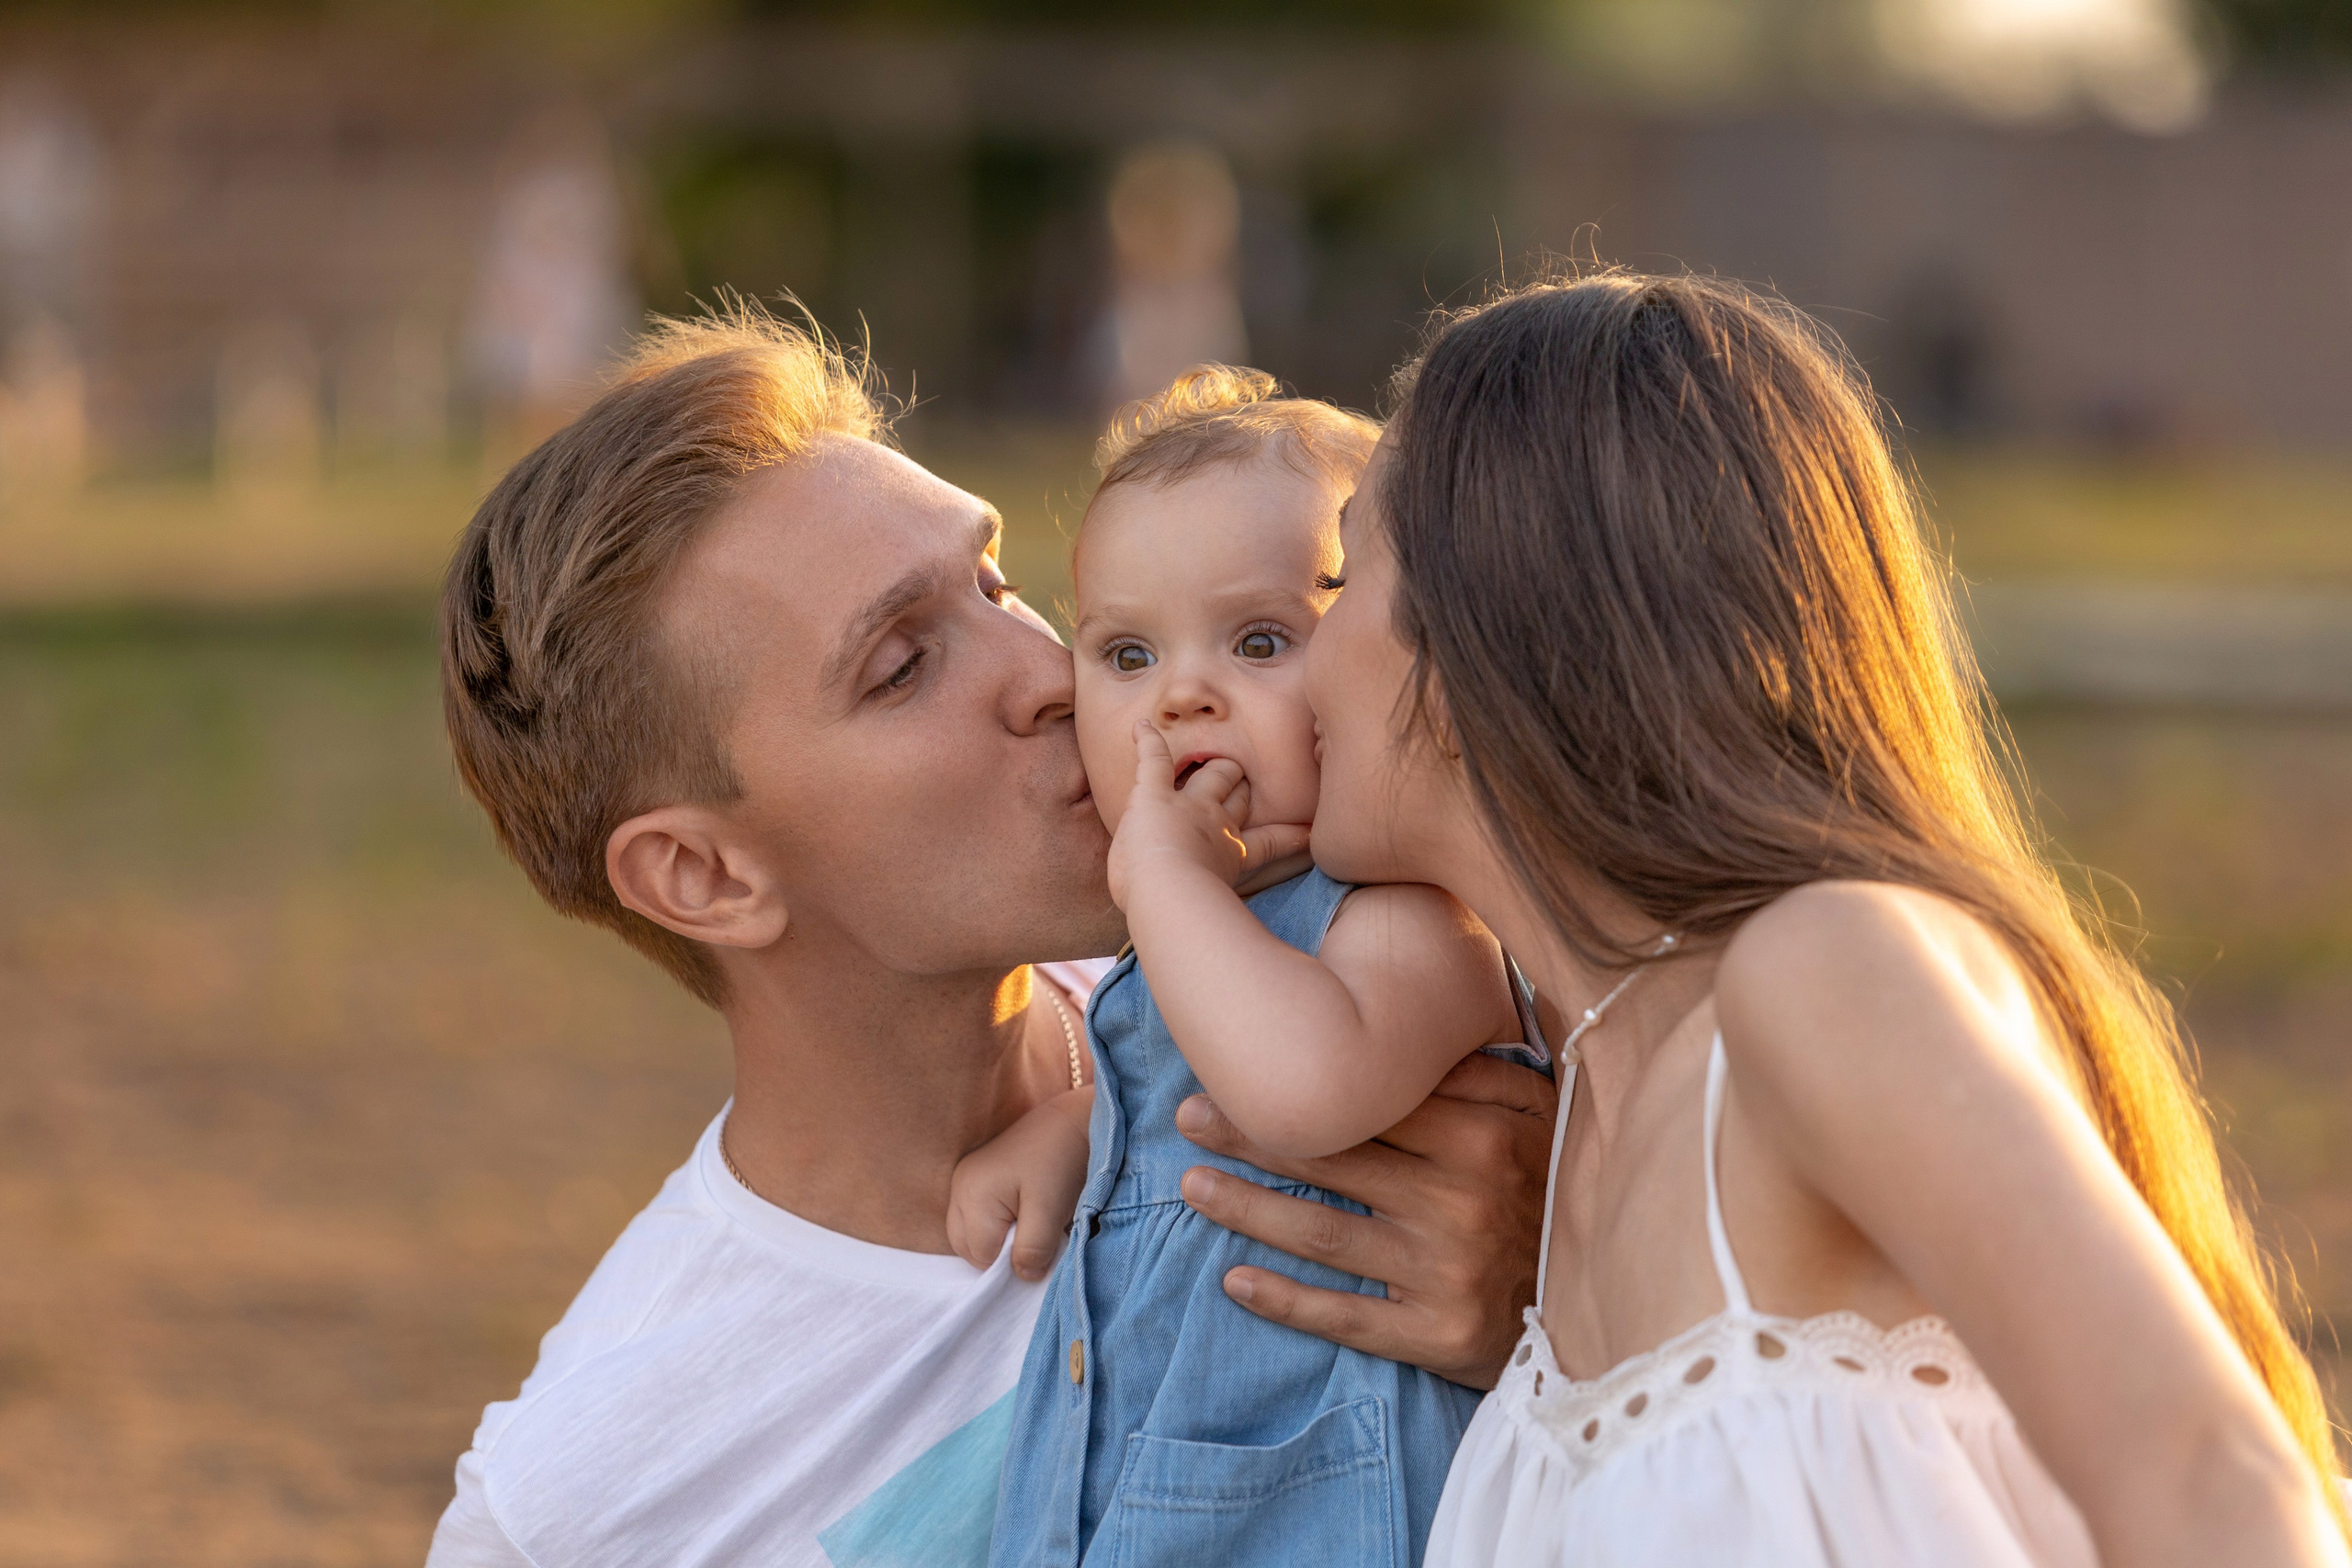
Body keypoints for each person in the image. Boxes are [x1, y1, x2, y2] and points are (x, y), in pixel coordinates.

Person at [422, 304, 1555, 1568]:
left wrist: (1558, 1282)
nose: (1059, 675)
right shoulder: (587, 1507)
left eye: (1002, 583)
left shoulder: (1361, 990)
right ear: (705, 876)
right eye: (904, 665)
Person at [1300, 272, 2351, 1566]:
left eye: (1341, 573)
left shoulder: (1817, 971)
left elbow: (2221, 1489)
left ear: (1480, 637)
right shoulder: (1575, 1114)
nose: (1302, 647)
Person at [958, 369, 1543, 1568]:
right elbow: (1204, 1093)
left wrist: (1162, 881)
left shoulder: (1404, 915)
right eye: (1125, 653)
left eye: (1262, 640)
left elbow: (1305, 1087)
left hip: (1326, 1520)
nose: (1182, 696)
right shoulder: (1207, 921)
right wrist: (1085, 1126)